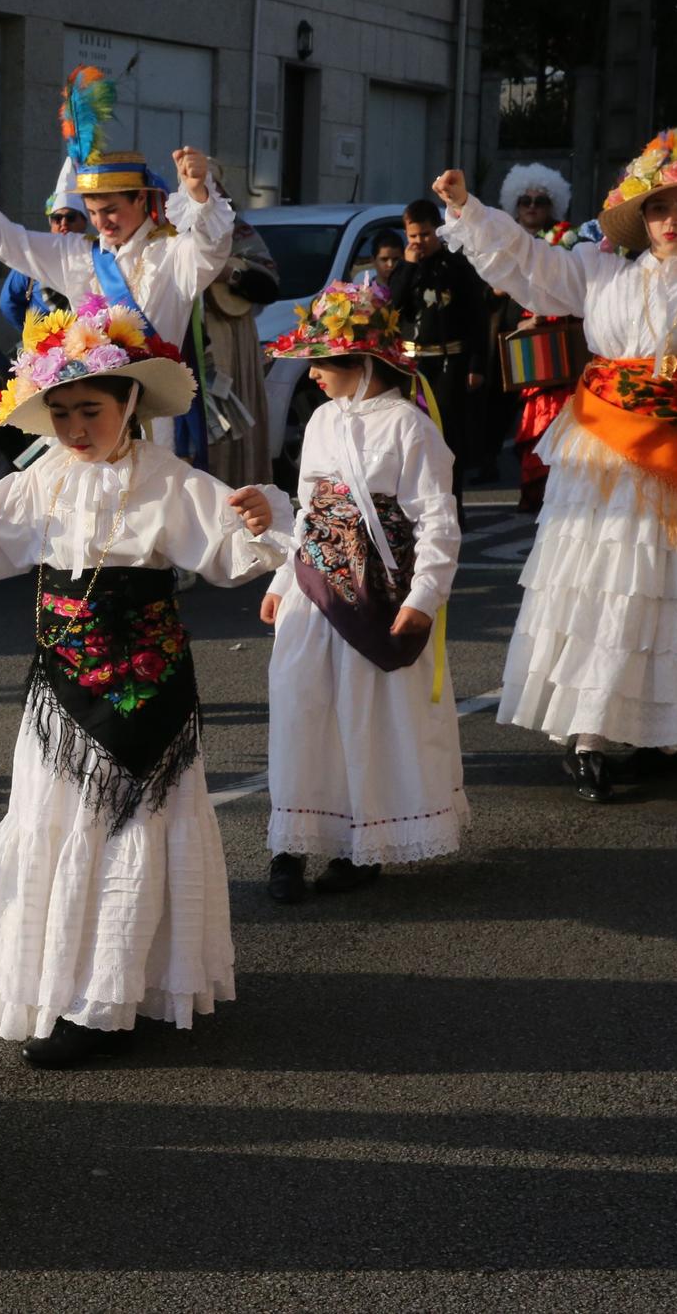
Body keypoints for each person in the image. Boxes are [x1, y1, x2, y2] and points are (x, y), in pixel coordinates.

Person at [0, 297, 291, 1067]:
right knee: (60, 824)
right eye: (61, 411)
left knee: (135, 831)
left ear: (129, 401)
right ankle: (65, 984)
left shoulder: (170, 482)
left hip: (150, 691)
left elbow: (233, 553)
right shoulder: (43, 481)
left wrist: (263, 515)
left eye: (91, 409)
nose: (75, 427)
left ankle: (109, 1001)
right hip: (65, 697)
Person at [435, 130, 677, 800]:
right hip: (605, 447)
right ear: (640, 216)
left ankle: (661, 731)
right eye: (662, 208)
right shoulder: (598, 269)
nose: (673, 221)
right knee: (604, 580)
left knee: (673, 583)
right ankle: (590, 736)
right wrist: (468, 211)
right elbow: (527, 265)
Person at [259, 280, 465, 901]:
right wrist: (279, 577)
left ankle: (362, 844)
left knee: (366, 717)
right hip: (314, 588)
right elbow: (306, 509)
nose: (314, 374)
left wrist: (423, 598)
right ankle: (290, 845)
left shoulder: (409, 427)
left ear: (364, 362)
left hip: (377, 592)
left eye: (323, 361)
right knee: (301, 712)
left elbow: (437, 519)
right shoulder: (322, 420)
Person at [0, 65, 234, 453]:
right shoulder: (78, 253)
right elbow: (9, 240)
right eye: (94, 211)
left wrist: (200, 194)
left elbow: (212, 247)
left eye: (112, 209)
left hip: (151, 420)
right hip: (85, 417)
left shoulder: (172, 254)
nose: (102, 221)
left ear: (141, 199)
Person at [384, 197, 490, 508]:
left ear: (438, 232)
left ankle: (451, 504)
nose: (420, 242)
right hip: (411, 363)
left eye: (426, 235)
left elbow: (477, 317)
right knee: (408, 435)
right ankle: (409, 504)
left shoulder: (458, 266)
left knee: (446, 436)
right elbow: (392, 305)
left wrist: (477, 364)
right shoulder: (403, 269)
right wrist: (408, 267)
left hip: (450, 362)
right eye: (413, 236)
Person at [492, 163, 581, 513]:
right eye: (525, 200)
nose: (531, 206)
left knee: (555, 419)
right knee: (521, 422)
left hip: (554, 348)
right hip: (508, 344)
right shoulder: (502, 241)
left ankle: (558, 492)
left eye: (540, 201)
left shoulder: (565, 242)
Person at [197, 204, 282, 488]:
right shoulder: (174, 236)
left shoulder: (238, 230)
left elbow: (270, 286)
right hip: (196, 338)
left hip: (234, 338)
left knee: (232, 423)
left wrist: (231, 274)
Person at [0, 183, 89, 327]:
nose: (63, 224)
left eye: (70, 217)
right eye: (57, 218)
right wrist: (32, 334)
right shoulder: (34, 255)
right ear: (51, 223)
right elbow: (8, 303)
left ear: (84, 221)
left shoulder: (97, 256)